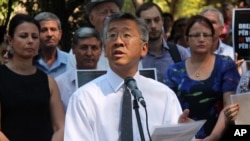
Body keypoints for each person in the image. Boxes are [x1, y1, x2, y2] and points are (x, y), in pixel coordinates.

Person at [64, 12, 191, 141]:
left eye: (126, 35)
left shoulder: (164, 96)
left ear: (144, 48)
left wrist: (182, 135)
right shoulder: (84, 98)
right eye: (112, 35)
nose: (118, 41)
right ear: (105, 48)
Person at [164, 15, 240, 140]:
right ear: (186, 38)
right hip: (185, 136)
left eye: (206, 35)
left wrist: (214, 136)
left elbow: (229, 106)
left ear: (213, 38)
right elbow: (169, 109)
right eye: (196, 35)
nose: (201, 39)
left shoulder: (226, 64)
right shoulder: (174, 71)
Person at [0, 14, 64, 141]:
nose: (30, 41)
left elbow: (60, 126)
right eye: (23, 36)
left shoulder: (48, 81)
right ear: (10, 40)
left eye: (35, 37)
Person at [135, 2, 190, 83]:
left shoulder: (180, 53)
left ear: (162, 21)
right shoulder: (133, 57)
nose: (153, 26)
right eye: (147, 22)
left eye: (157, 20)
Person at [66, 0, 124, 70]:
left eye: (113, 12)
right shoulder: (78, 52)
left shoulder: (129, 48)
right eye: (103, 13)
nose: (109, 16)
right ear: (92, 19)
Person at [55, 27, 102, 112]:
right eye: (84, 48)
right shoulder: (59, 84)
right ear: (73, 49)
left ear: (101, 50)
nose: (89, 53)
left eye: (94, 48)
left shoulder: (109, 80)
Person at [34, 12, 69, 77]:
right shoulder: (28, 62)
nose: (49, 34)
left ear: (60, 34)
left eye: (53, 29)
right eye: (44, 30)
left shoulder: (71, 62)